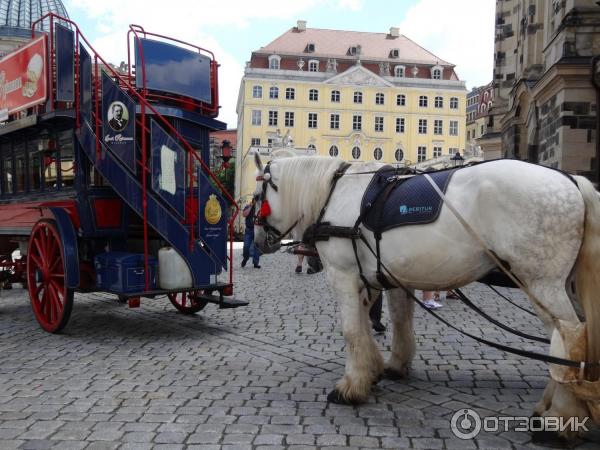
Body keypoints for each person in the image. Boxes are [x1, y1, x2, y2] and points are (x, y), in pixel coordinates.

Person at [241, 198, 261, 268]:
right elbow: (244, 214)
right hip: (249, 230)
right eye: (255, 200)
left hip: (257, 230)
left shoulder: (260, 208)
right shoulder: (248, 206)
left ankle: (256, 263)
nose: (256, 202)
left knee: (257, 247)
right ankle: (245, 258)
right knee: (246, 246)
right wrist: (251, 206)